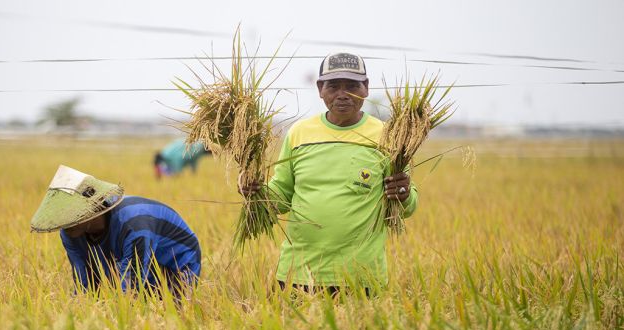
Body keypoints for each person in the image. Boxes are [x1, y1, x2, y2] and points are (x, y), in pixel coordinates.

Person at [241, 52, 418, 295]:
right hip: (298, 273)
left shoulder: (388, 137)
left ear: (366, 88)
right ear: (320, 89)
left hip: (362, 276)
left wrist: (403, 192)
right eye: (333, 86)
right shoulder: (299, 134)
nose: (342, 94)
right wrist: (254, 190)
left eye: (352, 86)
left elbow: (408, 207)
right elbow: (280, 198)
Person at [31, 165, 201, 297]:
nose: (65, 225)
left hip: (175, 265)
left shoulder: (133, 224)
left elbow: (130, 286)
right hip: (130, 259)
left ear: (92, 208)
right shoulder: (69, 231)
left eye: (70, 215)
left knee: (163, 310)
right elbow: (84, 282)